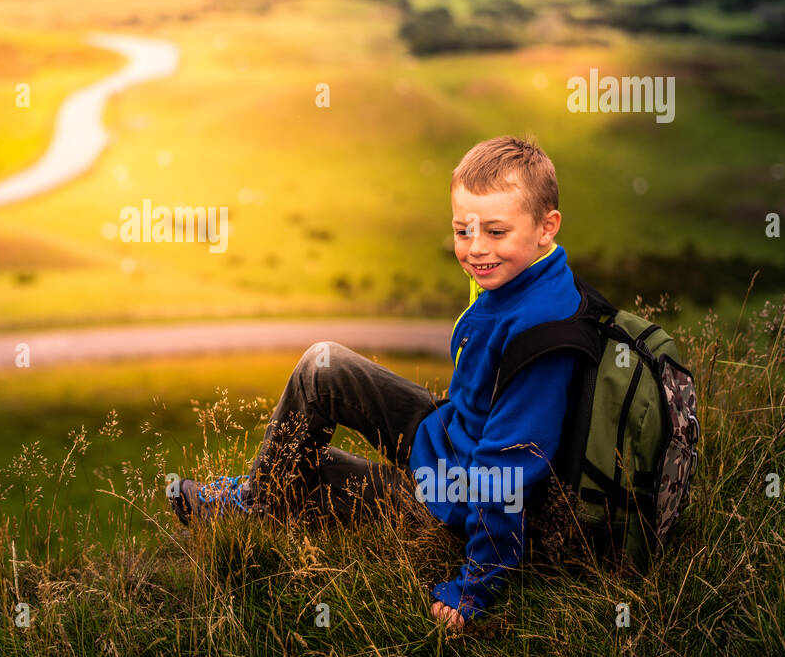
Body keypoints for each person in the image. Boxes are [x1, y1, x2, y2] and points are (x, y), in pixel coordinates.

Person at [168, 135, 581, 630]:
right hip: (448, 438)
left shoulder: (539, 336)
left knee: (305, 472)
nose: (475, 250)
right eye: (462, 230)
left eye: (495, 232)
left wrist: (476, 587)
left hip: (451, 494)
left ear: (546, 226)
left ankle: (253, 508)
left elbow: (507, 471)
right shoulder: (525, 272)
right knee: (323, 367)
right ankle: (256, 500)